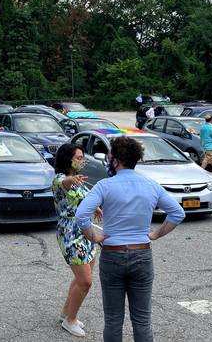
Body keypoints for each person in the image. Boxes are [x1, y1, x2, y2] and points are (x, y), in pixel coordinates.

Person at [76, 136, 185, 342]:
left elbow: (82, 215)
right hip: (142, 252)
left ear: (115, 160)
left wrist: (93, 236)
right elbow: (177, 213)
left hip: (112, 254)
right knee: (142, 319)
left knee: (113, 319)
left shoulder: (104, 185)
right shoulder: (151, 185)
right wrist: (155, 234)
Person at [52, 143, 100, 338]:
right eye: (78, 158)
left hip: (85, 232)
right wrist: (73, 179)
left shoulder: (79, 181)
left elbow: (82, 199)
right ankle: (70, 321)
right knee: (85, 281)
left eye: (82, 158)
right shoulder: (59, 179)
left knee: (82, 278)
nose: (82, 161)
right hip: (70, 234)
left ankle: (66, 313)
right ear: (67, 159)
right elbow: (65, 183)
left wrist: (94, 208)